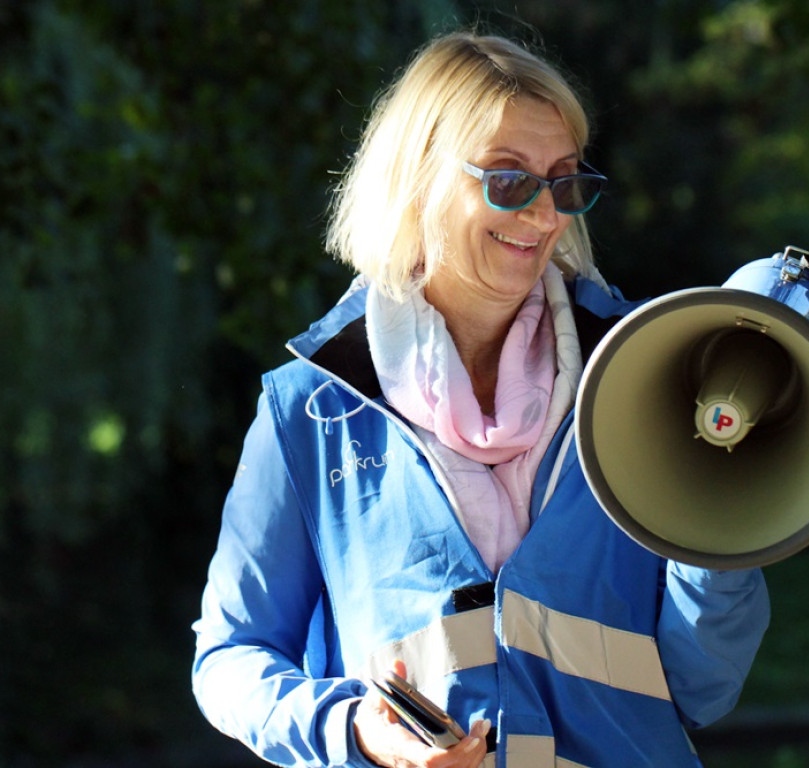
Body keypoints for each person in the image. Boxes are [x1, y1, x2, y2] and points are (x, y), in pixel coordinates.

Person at [192, 30, 770, 768]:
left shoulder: (649, 376)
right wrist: (354, 732)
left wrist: (727, 526)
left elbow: (701, 689)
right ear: (420, 179)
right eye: (507, 179)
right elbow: (229, 657)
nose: (543, 214)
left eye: (564, 182)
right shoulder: (308, 412)